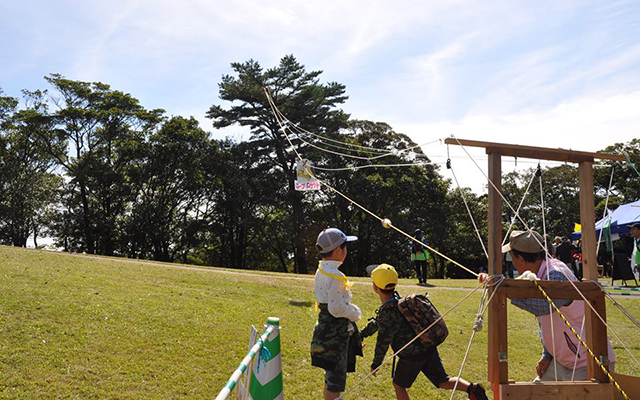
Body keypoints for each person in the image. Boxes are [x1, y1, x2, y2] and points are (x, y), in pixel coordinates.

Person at [479, 230, 615, 381]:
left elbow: (545, 306)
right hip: (563, 362)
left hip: (588, 362)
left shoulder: (556, 274)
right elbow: (549, 322)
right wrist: (548, 354)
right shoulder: (541, 273)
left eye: (512, 258)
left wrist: (501, 289)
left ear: (521, 259)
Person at [361, 264, 488, 400]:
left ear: (375, 287)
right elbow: (377, 323)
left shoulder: (388, 312)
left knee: (398, 384)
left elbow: (383, 341)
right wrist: (362, 334)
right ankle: (472, 389)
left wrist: (376, 363)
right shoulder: (399, 302)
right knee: (442, 381)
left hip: (411, 356)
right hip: (427, 347)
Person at [310, 228, 363, 400]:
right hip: (336, 333)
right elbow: (336, 308)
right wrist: (355, 313)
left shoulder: (321, 270)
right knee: (336, 379)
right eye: (346, 246)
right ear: (339, 250)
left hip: (325, 329)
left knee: (330, 373)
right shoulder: (337, 276)